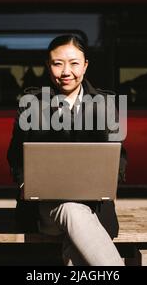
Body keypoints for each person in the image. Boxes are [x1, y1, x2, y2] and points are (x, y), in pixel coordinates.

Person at [7, 34, 127, 266]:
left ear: (85, 65)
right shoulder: (31, 103)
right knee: (72, 210)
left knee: (75, 227)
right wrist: (25, 183)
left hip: (94, 207)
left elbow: (119, 156)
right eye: (57, 63)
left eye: (73, 63)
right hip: (43, 208)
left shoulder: (107, 104)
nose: (66, 71)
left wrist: (111, 179)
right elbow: (15, 155)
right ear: (48, 66)